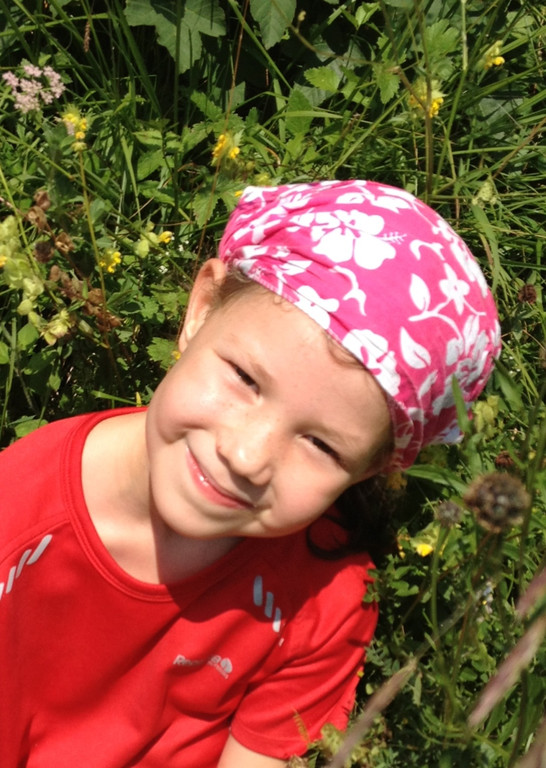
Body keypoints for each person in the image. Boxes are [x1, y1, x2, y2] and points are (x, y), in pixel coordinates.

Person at [0, 180, 500, 767]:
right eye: (244, 378)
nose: (246, 456)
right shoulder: (18, 509)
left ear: (374, 468)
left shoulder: (323, 599)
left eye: (320, 444)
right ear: (201, 308)